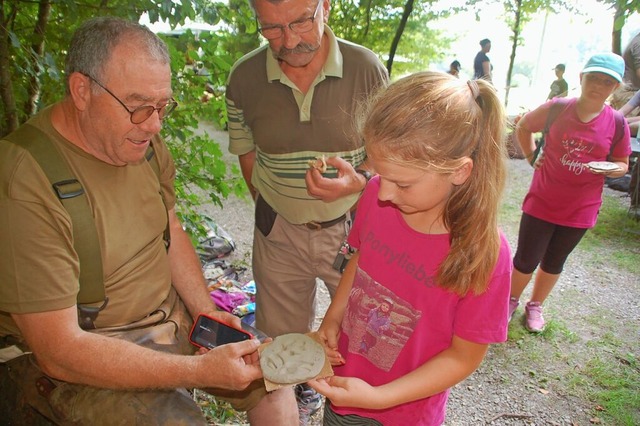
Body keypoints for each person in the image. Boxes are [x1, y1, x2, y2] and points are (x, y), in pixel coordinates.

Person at [0, 17, 297, 425]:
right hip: (93, 346)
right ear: (81, 90)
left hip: (170, 321)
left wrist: (204, 311)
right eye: (139, 107)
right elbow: (59, 351)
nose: (154, 125)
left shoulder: (145, 144)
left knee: (274, 381)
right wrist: (198, 371)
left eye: (162, 107)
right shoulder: (24, 179)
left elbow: (170, 232)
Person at [307, 72, 512, 425]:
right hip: (345, 392)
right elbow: (361, 260)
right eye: (379, 174)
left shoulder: (485, 253)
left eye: (402, 183)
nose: (384, 193)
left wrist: (380, 397)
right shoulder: (375, 195)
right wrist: (333, 318)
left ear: (460, 172)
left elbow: (464, 356)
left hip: (405, 413)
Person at [225, 0, 388, 423]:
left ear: (326, 8)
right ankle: (297, 397)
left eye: (301, 21)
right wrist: (274, 210)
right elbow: (246, 156)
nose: (290, 40)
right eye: (272, 29)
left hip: (352, 236)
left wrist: (360, 180)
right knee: (276, 349)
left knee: (361, 339)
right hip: (278, 235)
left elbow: (388, 153)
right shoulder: (243, 77)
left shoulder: (366, 68)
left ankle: (344, 408)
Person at [508, 52, 631, 333]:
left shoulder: (616, 122)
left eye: (606, 81)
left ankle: (535, 306)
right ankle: (510, 300)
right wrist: (531, 156)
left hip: (581, 208)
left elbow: (622, 165)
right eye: (593, 78)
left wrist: (611, 169)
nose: (598, 85)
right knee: (526, 259)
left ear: (615, 87)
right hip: (543, 200)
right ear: (581, 78)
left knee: (554, 261)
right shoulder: (558, 107)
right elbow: (524, 125)